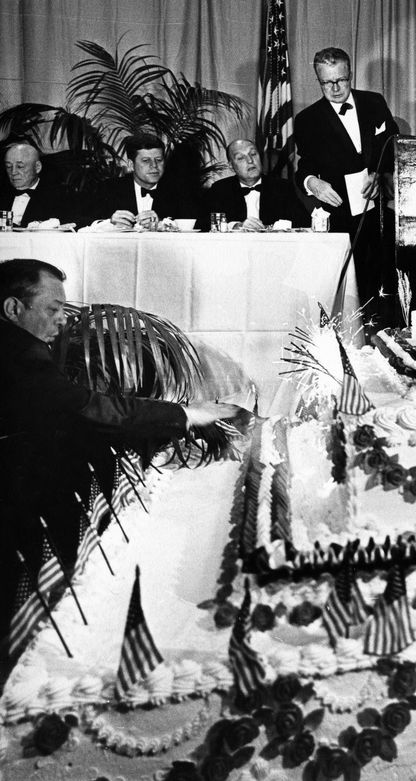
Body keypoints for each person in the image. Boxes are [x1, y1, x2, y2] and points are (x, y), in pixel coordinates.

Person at [0, 258, 236, 670]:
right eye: (53, 310)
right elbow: (86, 410)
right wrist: (183, 415)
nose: (61, 321)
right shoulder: (19, 356)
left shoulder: (20, 345)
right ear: (13, 309)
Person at [294, 47, 399, 329]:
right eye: (327, 82)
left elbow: (392, 146)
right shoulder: (307, 120)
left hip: (376, 212)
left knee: (383, 281)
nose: (336, 88)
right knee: (347, 289)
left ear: (350, 74)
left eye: (341, 79)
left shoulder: (374, 103)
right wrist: (312, 182)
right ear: (318, 80)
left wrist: (380, 173)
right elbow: (303, 167)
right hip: (340, 217)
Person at [90, 133, 196, 229]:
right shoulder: (108, 188)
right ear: (131, 165)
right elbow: (78, 222)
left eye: (159, 160)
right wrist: (109, 223)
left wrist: (162, 225)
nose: (154, 166)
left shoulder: (180, 190)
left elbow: (201, 225)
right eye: (146, 161)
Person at [201, 139, 308, 231]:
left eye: (253, 154)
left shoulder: (282, 187)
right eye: (240, 158)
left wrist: (272, 228)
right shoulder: (220, 189)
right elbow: (203, 225)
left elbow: (304, 223)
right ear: (231, 166)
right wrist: (236, 226)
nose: (250, 160)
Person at [0, 141, 69, 227]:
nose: (13, 172)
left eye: (20, 166)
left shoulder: (59, 196)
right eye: (8, 167)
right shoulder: (3, 193)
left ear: (37, 167)